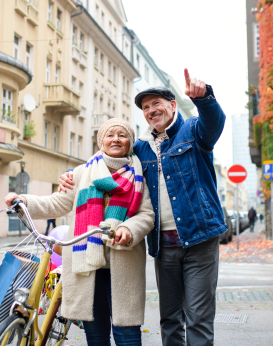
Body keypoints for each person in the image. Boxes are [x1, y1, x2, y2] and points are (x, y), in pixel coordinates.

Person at [59, 70, 226, 346]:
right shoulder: (142, 150)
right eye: (146, 107)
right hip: (164, 245)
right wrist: (74, 174)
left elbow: (213, 123)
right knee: (170, 320)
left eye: (157, 103)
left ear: (173, 105)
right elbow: (109, 152)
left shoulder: (193, 131)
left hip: (199, 239)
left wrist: (204, 98)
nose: (151, 110)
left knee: (198, 319)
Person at [5, 118, 155, 346]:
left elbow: (146, 215)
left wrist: (128, 229)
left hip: (123, 263)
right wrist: (23, 200)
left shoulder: (139, 174)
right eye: (110, 134)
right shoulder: (82, 172)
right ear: (101, 141)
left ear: (130, 142)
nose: (116, 139)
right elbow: (56, 203)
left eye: (122, 135)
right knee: (96, 336)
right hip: (87, 265)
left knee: (128, 336)